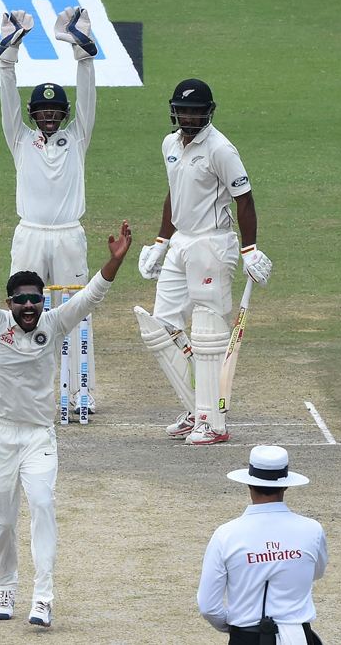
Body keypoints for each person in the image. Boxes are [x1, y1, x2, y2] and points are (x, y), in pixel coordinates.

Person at [0, 214, 131, 628]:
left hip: (38, 437)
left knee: (43, 506)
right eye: (21, 300)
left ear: (43, 300)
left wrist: (115, 260)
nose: (29, 306)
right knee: (3, 518)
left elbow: (90, 297)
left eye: (35, 299)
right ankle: (4, 588)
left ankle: (43, 598)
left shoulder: (54, 323)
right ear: (9, 302)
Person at [134, 78, 273, 445]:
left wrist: (250, 249)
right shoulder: (169, 144)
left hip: (212, 243)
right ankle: (197, 408)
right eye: (183, 111)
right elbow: (174, 193)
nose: (188, 118)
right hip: (181, 241)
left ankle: (214, 423)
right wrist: (160, 242)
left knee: (208, 332)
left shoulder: (221, 149)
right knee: (161, 326)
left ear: (208, 113)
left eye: (195, 112)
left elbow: (245, 199)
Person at [0, 7, 99, 415]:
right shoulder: (20, 139)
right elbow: (7, 98)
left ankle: (81, 393)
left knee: (76, 315)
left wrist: (83, 56)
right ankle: (20, 389)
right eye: (43, 113)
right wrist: (8, 58)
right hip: (30, 235)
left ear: (65, 115)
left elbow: (88, 95)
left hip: (70, 235)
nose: (50, 119)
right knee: (21, 312)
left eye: (56, 114)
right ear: (33, 115)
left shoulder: (78, 137)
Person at [197, 445, 327, 644]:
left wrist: (236, 628)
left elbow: (208, 606)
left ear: (249, 484)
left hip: (246, 637)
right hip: (299, 637)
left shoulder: (226, 534)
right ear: (286, 485)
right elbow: (315, 573)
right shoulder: (313, 529)